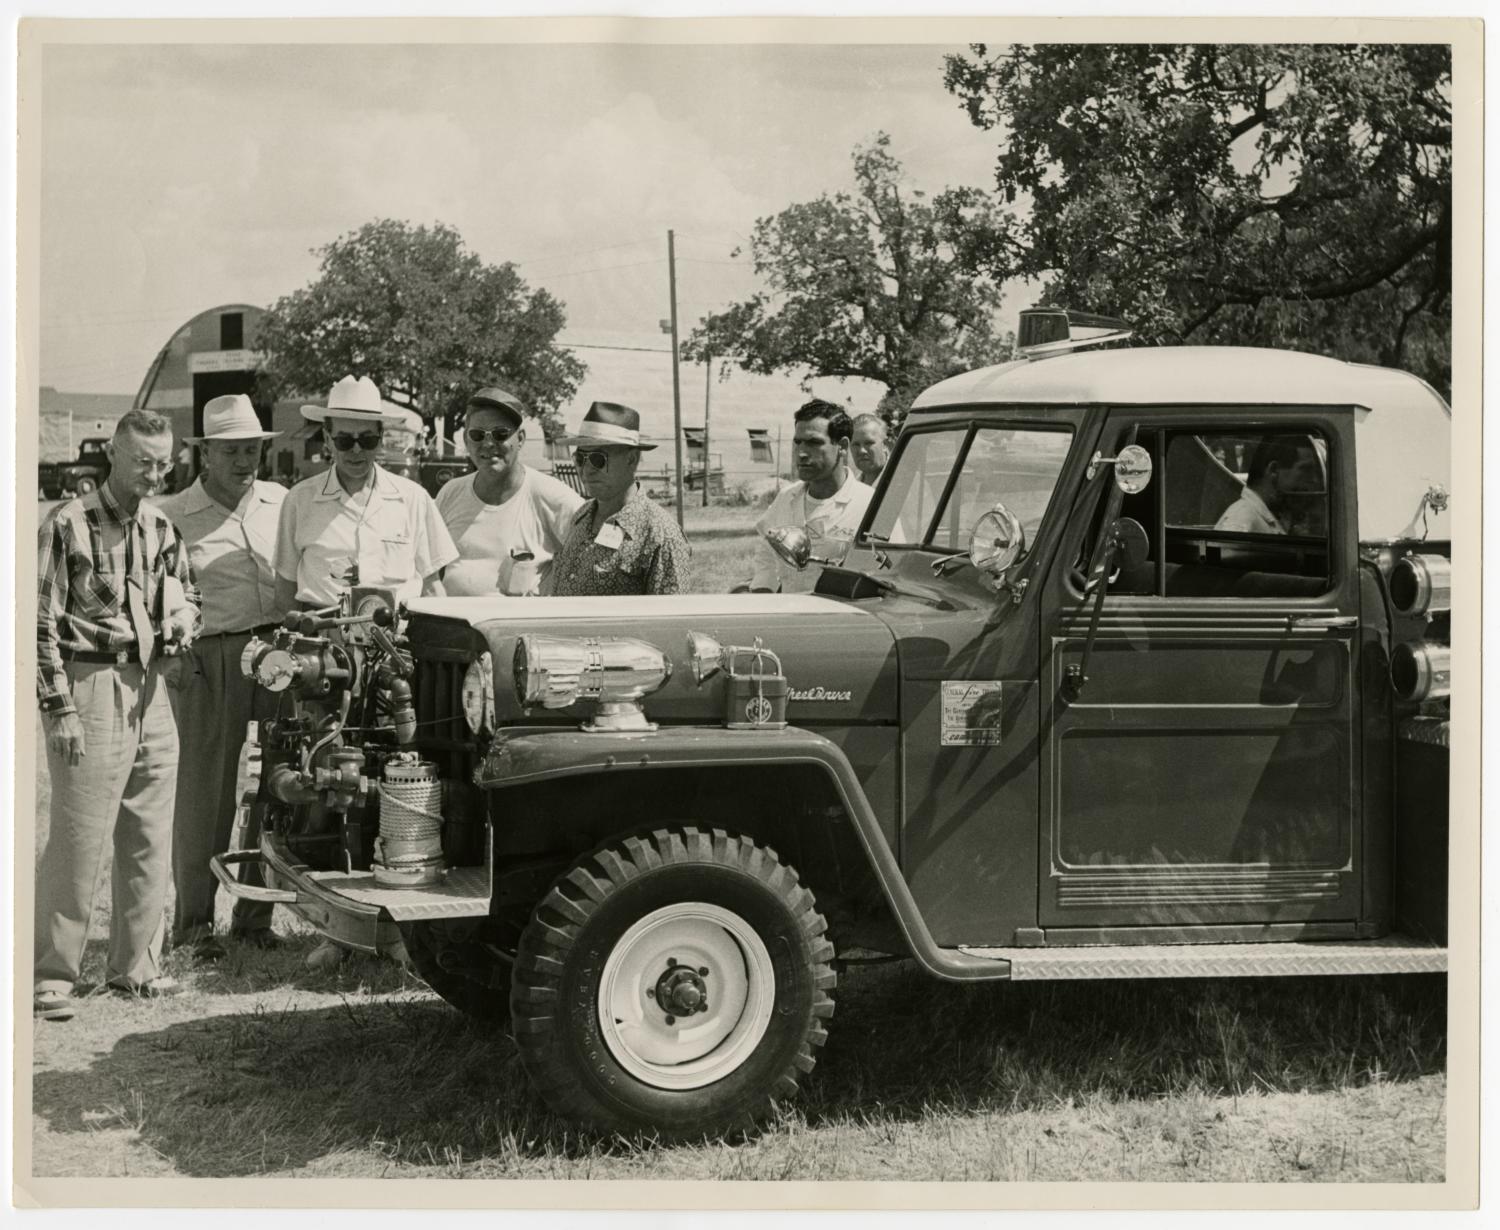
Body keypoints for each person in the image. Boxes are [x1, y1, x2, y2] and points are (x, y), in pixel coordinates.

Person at [35, 409, 200, 1020]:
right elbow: (38, 624)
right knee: (79, 836)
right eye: (142, 463)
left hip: (151, 686)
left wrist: (184, 620)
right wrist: (60, 708)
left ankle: (137, 968)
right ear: (112, 454)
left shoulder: (161, 526)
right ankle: (51, 974)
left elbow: (190, 594)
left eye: (163, 465)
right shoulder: (68, 524)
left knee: (150, 832)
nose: (154, 476)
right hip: (90, 684)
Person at [154, 394, 287, 961]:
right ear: (204, 454)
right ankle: (193, 924)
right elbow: (159, 596)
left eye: (251, 450)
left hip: (279, 652)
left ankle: (256, 917)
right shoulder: (172, 515)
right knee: (205, 794)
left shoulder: (282, 502)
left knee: (280, 786)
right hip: (210, 657)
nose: (243, 461)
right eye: (230, 451)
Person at [273, 375, 458, 612]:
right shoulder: (299, 501)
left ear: (380, 439)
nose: (356, 449)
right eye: (344, 441)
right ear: (328, 439)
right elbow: (285, 593)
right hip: (324, 630)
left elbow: (432, 588)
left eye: (367, 440)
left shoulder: (414, 499)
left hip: (399, 632)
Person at [435, 385, 583, 596]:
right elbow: (430, 567)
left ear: (520, 439)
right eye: (477, 435)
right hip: (452, 617)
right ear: (466, 440)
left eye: (500, 434)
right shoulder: (451, 494)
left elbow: (591, 555)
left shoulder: (552, 496)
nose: (488, 443)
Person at [544, 402, 692, 597]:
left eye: (598, 459)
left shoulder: (661, 535)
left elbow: (671, 615)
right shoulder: (581, 515)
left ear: (632, 459)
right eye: (580, 459)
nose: (586, 470)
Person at [746, 399, 873, 594]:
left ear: (842, 446)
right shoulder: (786, 498)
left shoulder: (870, 505)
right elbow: (767, 557)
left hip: (843, 612)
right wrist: (763, 593)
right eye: (798, 442)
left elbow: (888, 574)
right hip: (791, 611)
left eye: (814, 443)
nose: (802, 453)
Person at [1215, 436, 1323, 535]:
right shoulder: (1241, 523)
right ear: (1273, 470)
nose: (1314, 480)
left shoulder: (1275, 517)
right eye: (1306, 470)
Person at [849, 413, 890, 487]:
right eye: (856, 444)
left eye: (868, 443)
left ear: (885, 444)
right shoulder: (853, 487)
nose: (861, 451)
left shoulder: (900, 478)